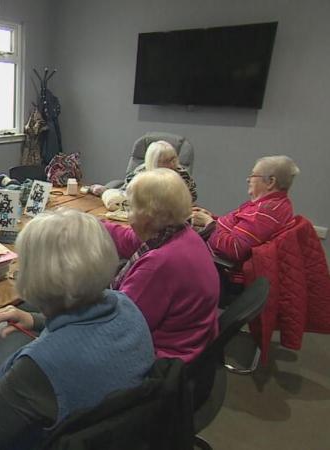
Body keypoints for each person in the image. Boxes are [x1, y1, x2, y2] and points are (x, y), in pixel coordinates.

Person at [0, 208, 155, 449]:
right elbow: (87, 325)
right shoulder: (126, 305)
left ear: (33, 276)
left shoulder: (39, 366)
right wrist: (35, 319)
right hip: (120, 434)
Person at [102, 168, 219, 363]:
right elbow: (129, 239)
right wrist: (89, 224)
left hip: (162, 361)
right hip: (194, 347)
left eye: (130, 207)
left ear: (146, 216)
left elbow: (118, 326)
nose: (128, 216)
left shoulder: (159, 264)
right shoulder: (183, 234)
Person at [192, 155, 299, 285]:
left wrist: (210, 223)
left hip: (220, 272)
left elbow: (235, 249)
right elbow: (239, 228)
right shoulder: (275, 204)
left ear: (270, 182)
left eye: (253, 175)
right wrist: (212, 218)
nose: (248, 179)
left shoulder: (264, 212)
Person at [123, 140, 198, 202]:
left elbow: (192, 198)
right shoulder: (139, 175)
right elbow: (127, 196)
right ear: (154, 162)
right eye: (166, 161)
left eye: (173, 159)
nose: (172, 164)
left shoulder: (182, 174)